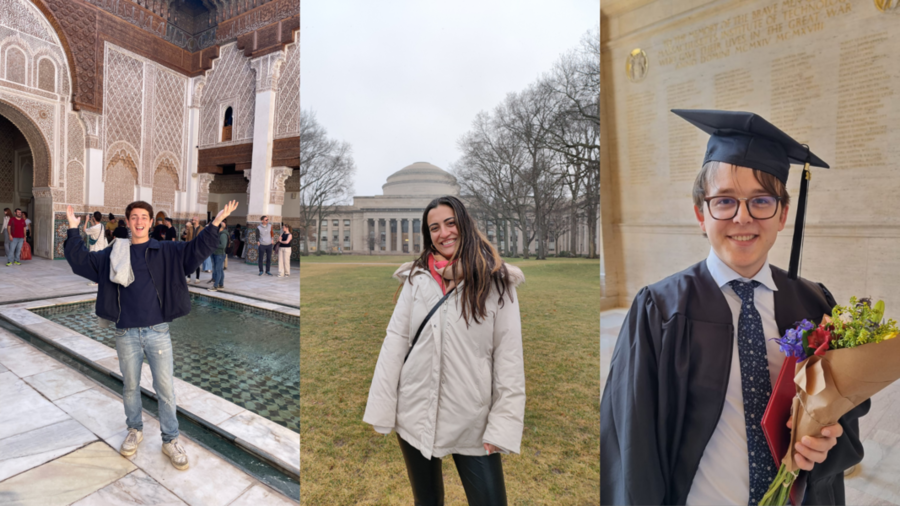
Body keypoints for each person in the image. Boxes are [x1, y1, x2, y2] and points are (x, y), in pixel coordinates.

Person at [600, 110, 869, 505]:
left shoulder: (814, 305)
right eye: (724, 200)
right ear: (700, 214)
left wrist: (827, 445)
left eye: (761, 200)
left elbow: (847, 414)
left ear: (782, 215)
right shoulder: (658, 311)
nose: (743, 217)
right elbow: (630, 444)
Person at [363, 195, 525, 506]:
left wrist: (502, 424)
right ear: (428, 235)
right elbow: (395, 341)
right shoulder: (417, 279)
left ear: (465, 224)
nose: (444, 233)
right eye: (434, 227)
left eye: (450, 223)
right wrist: (383, 406)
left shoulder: (497, 283)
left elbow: (509, 357)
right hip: (415, 411)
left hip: (472, 419)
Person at [64, 199, 239, 471]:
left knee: (165, 388)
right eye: (134, 217)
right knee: (131, 386)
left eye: (144, 216)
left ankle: (170, 439)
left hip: (157, 331)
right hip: (126, 333)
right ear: (128, 221)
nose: (139, 221)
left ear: (151, 221)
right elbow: (80, 262)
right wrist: (74, 230)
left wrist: (214, 224)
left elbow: (196, 249)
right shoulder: (113, 253)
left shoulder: (166, 250)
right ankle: (134, 429)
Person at [84, 211, 109, 286]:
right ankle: (98, 280)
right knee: (98, 265)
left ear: (94, 218)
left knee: (94, 265)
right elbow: (94, 229)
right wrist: (91, 221)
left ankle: (96, 281)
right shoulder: (102, 226)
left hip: (95, 249)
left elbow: (84, 230)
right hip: (101, 248)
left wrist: (86, 220)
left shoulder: (95, 228)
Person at [209, 220, 228, 291]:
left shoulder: (223, 235)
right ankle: (221, 285)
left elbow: (223, 245)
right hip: (215, 253)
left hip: (220, 254)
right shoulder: (218, 233)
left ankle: (215, 286)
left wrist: (214, 245)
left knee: (217, 270)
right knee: (220, 270)